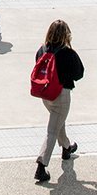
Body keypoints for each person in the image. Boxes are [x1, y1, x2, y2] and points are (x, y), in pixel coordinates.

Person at [34, 19, 84, 183]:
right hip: (61, 96)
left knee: (58, 122)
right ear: (66, 35)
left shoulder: (42, 50)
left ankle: (67, 148)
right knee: (52, 131)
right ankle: (41, 166)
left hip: (45, 95)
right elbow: (79, 73)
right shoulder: (68, 53)